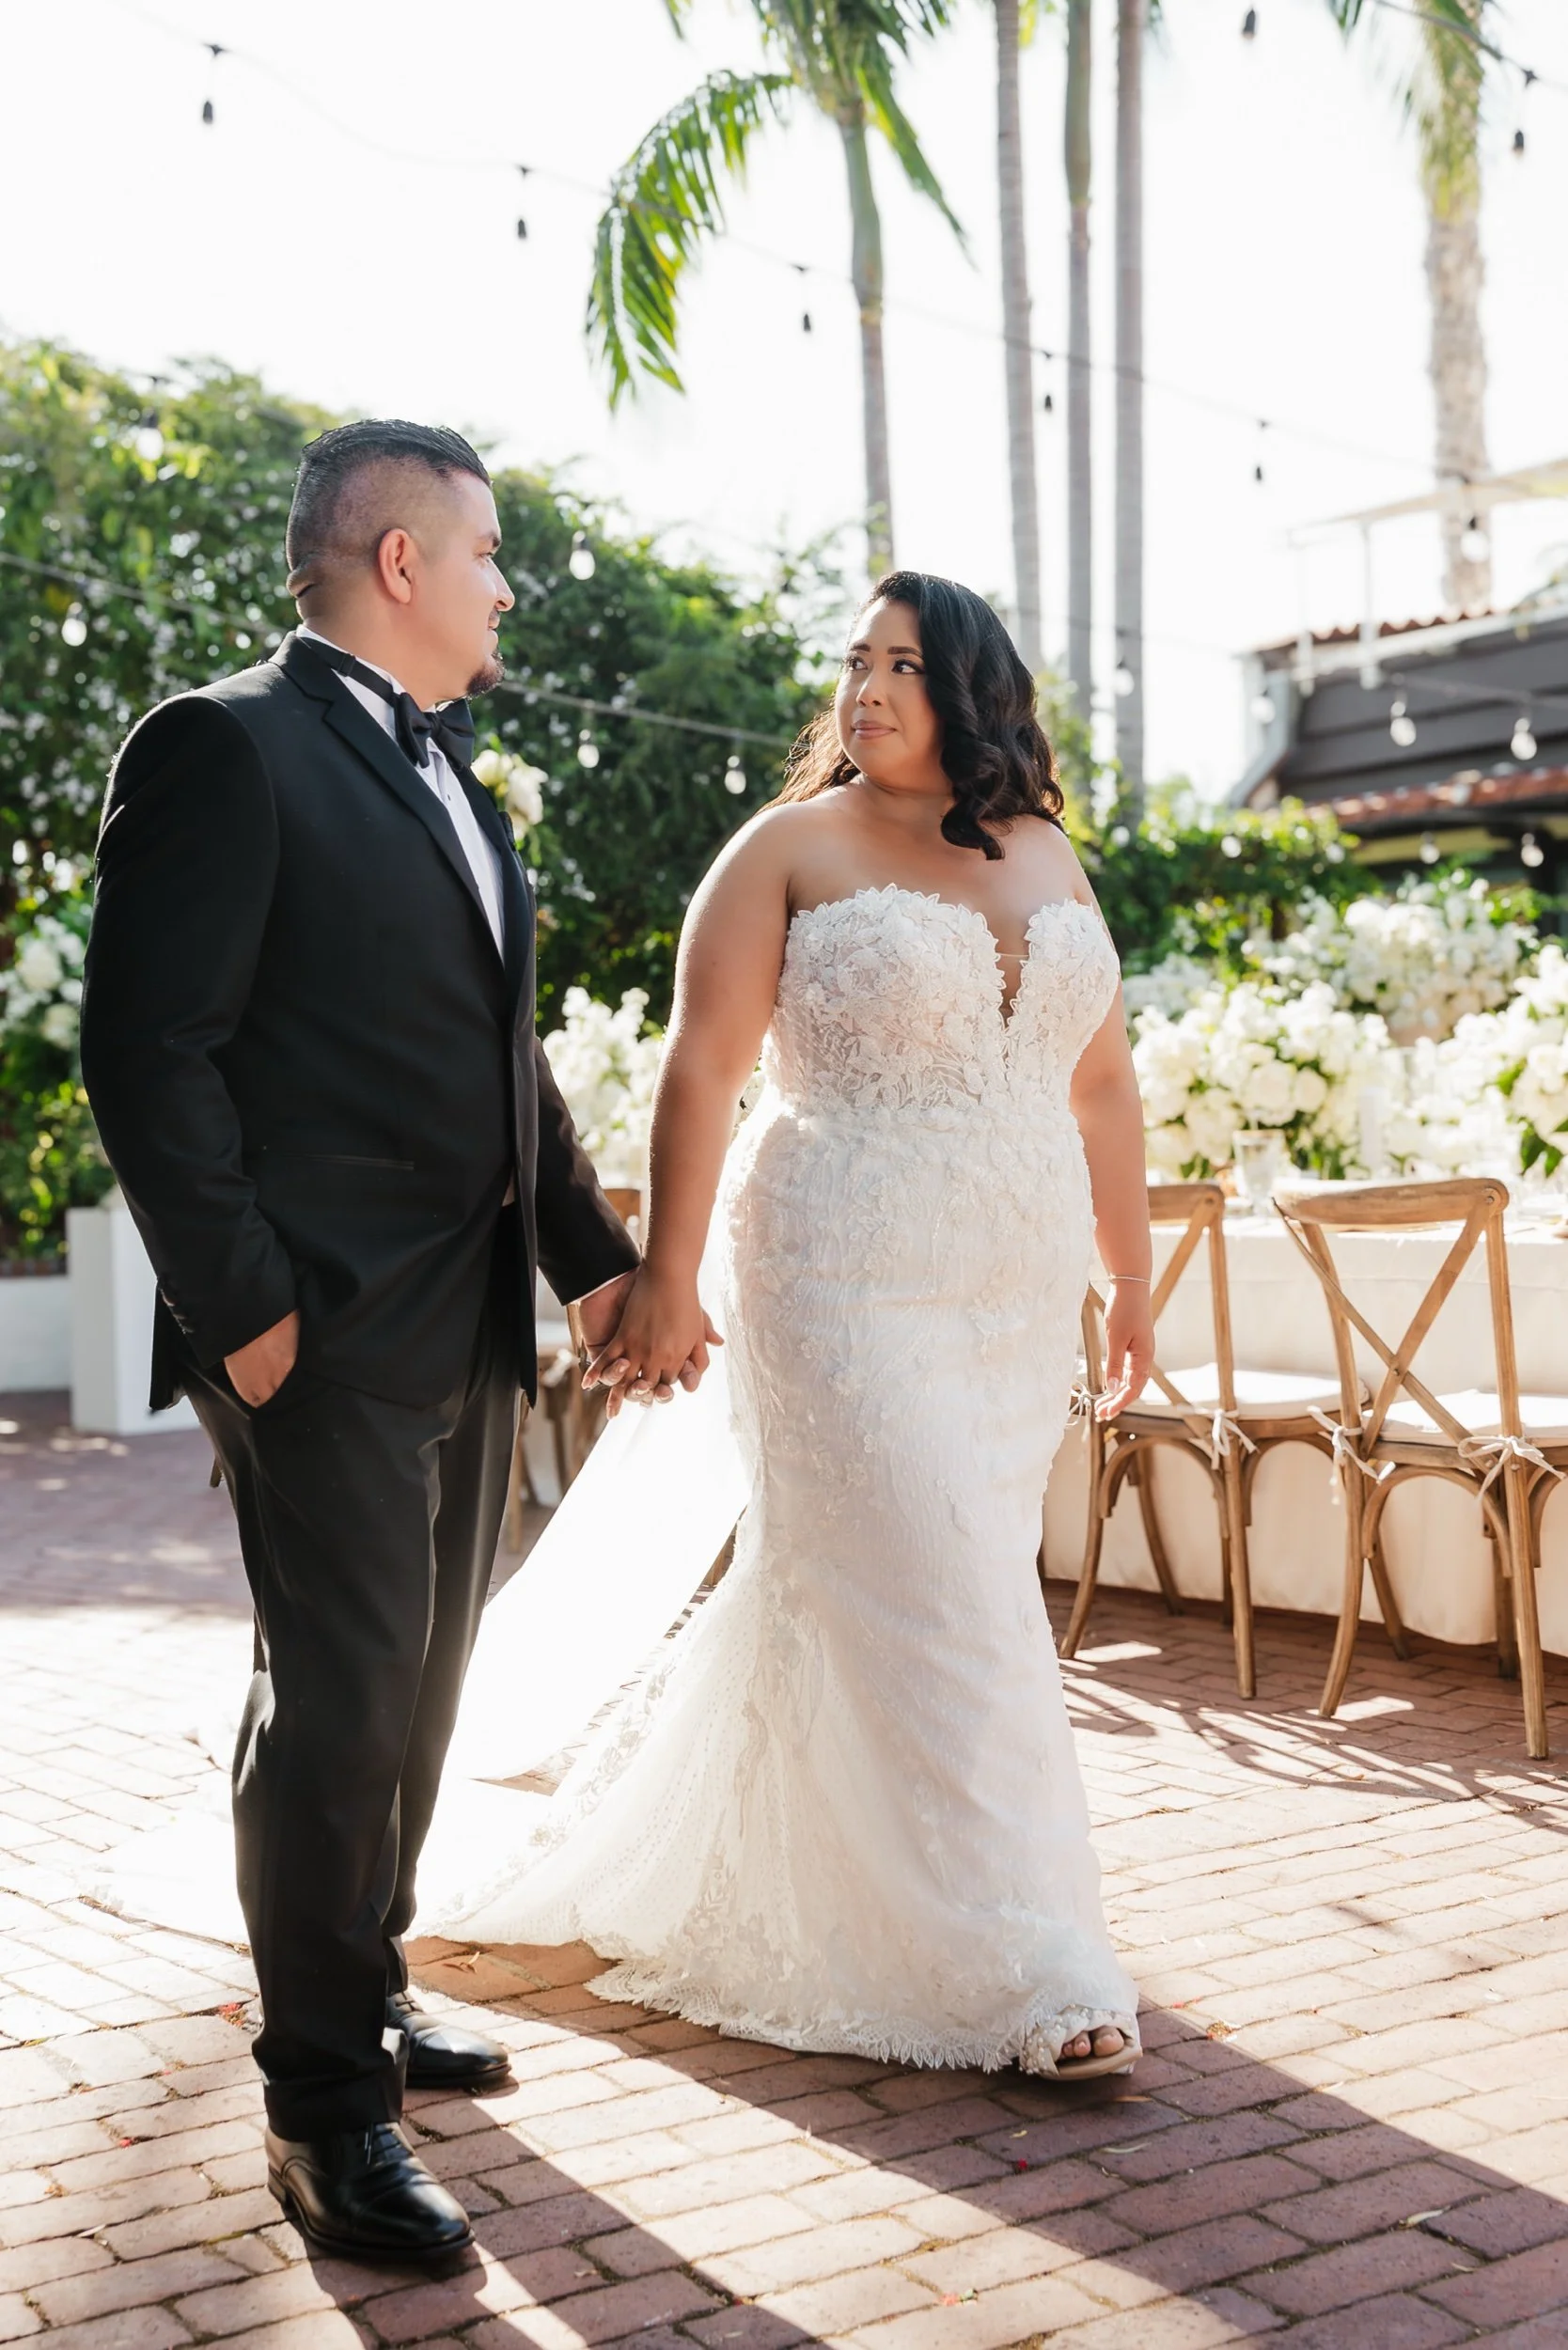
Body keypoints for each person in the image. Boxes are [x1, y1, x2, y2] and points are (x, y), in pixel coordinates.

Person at [416, 571, 1154, 2079]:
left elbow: (1103, 1086)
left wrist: (1134, 1276)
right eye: (855, 661)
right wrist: (669, 1275)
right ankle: (1028, 1967)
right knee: (947, 1587)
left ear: (974, 690)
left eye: (905, 663)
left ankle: (867, 1891)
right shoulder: (786, 848)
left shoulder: (1047, 855)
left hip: (1013, 1291)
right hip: (841, 1273)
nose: (868, 688)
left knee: (935, 1588)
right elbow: (702, 1071)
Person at [77, 421, 665, 2264]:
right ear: (400, 563)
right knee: (336, 1700)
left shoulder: (462, 787)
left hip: (472, 1326)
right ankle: (323, 2108)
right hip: (320, 1337)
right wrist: (252, 1318)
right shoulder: (222, 746)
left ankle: (373, 1976)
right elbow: (143, 1047)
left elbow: (508, 1066)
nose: (508, 585)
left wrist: (596, 1264)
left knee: (418, 1685)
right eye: (489, 552)